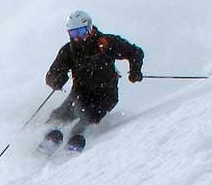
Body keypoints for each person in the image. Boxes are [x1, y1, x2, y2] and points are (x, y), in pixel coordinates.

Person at [40, 10, 144, 153]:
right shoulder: (69, 51)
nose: (77, 38)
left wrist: (135, 71)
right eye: (73, 34)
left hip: (106, 94)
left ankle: (76, 139)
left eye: (81, 32)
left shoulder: (106, 43)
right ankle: (47, 141)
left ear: (89, 28)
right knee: (60, 115)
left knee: (88, 115)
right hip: (80, 92)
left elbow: (135, 52)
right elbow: (52, 74)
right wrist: (56, 80)